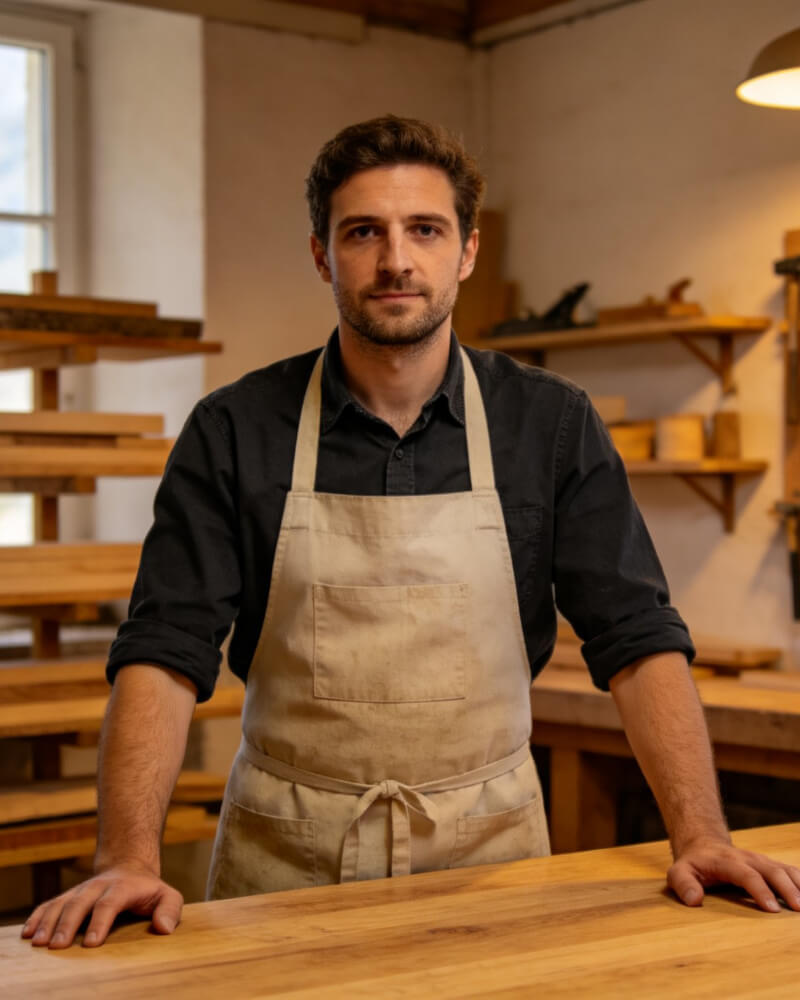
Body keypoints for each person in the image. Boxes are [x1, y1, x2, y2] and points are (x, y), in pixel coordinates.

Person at [23, 115, 800, 950]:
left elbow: (638, 640)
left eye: (424, 230)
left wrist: (702, 837)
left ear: (465, 251)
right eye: (364, 233)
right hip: (285, 862)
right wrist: (127, 856)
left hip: (492, 856)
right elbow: (164, 654)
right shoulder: (235, 429)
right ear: (322, 254)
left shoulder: (550, 425)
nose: (397, 260)